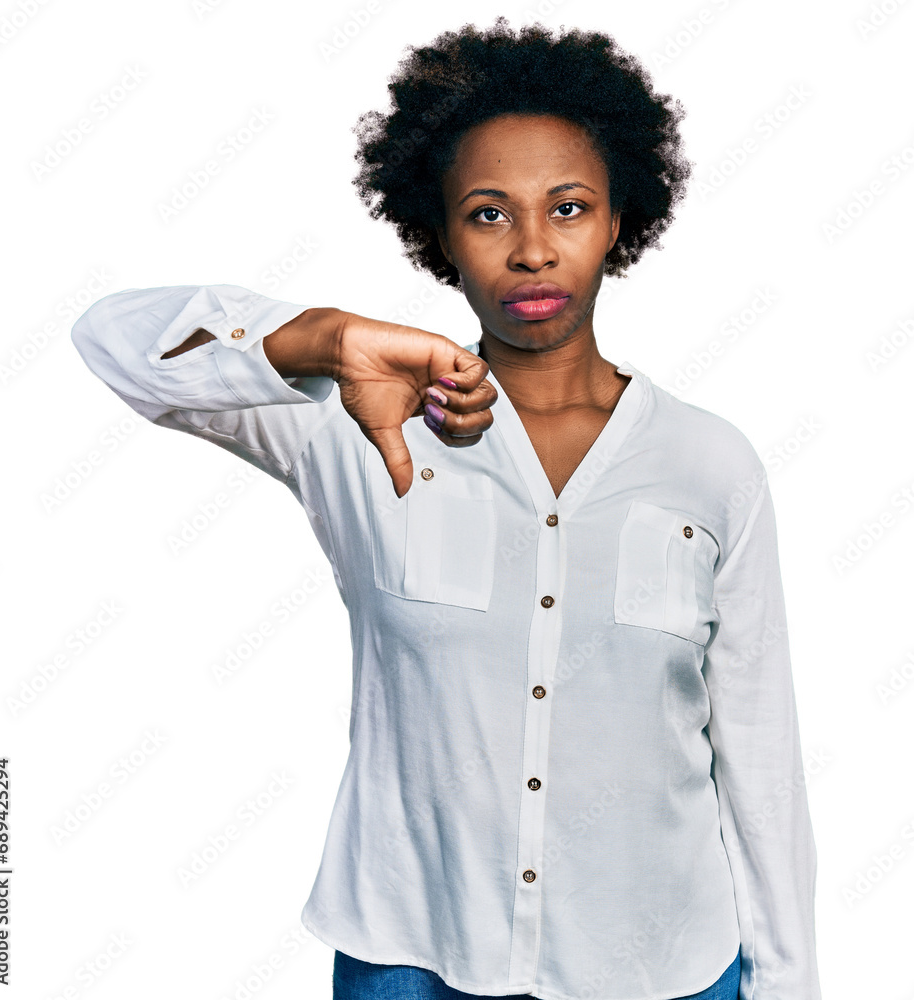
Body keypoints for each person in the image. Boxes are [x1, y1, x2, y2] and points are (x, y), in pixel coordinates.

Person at [70, 18, 821, 1000]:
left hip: (658, 965)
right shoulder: (354, 426)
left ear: (616, 220)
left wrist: (789, 982)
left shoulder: (707, 464)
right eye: (486, 213)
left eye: (566, 207)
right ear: (437, 234)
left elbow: (757, 756)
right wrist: (325, 338)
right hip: (408, 954)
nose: (531, 249)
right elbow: (114, 344)